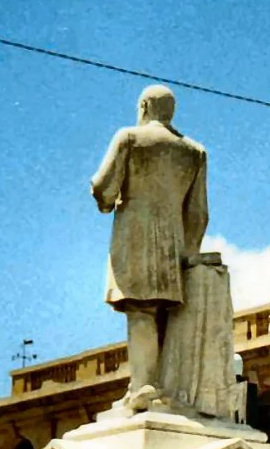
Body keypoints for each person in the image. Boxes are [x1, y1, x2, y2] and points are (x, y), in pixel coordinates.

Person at [90, 85, 209, 413]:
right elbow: (199, 213)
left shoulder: (129, 138)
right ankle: (153, 386)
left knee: (140, 310)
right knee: (163, 314)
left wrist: (102, 197)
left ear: (144, 106)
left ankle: (143, 385)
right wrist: (190, 251)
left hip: (136, 234)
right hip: (173, 241)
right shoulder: (195, 151)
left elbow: (103, 188)